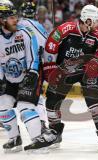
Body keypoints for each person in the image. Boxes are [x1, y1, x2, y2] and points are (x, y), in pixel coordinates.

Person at [43, 4, 98, 152]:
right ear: (88, 21)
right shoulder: (65, 29)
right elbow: (50, 47)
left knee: (94, 99)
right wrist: (50, 69)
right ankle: (55, 131)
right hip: (64, 71)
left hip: (85, 72)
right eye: (96, 21)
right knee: (51, 100)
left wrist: (95, 65)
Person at [0, 1, 56, 153]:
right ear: (1, 19)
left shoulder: (25, 32)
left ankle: (38, 139)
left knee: (25, 107)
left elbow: (33, 56)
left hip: (29, 74)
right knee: (2, 106)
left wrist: (32, 72)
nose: (15, 20)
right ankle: (14, 138)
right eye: (11, 17)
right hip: (9, 78)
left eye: (15, 16)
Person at [18, 1, 49, 132]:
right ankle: (41, 123)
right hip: (34, 66)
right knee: (37, 97)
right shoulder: (39, 27)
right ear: (35, 13)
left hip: (15, 66)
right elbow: (46, 47)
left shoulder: (16, 24)